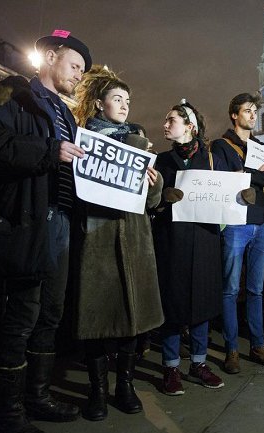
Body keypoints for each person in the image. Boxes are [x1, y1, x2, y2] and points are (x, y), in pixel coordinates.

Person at [0, 30, 90, 433]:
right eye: (75, 66)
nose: (79, 77)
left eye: (83, 72)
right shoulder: (9, 96)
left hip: (61, 222)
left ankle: (37, 395)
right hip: (27, 222)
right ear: (50, 57)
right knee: (21, 315)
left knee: (50, 314)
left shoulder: (66, 113)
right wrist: (49, 153)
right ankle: (8, 411)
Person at [71, 66, 164, 420]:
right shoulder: (85, 139)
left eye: (128, 100)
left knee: (131, 317)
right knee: (97, 319)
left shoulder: (139, 139)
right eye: (117, 99)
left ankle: (125, 386)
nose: (125, 106)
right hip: (98, 237)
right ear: (99, 104)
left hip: (135, 238)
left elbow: (152, 201)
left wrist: (153, 183)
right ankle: (97, 391)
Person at [153, 99, 226, 396]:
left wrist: (242, 197)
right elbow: (146, 203)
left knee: (202, 303)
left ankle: (199, 363)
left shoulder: (211, 160)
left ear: (190, 127)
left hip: (204, 242)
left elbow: (226, 197)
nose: (165, 125)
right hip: (171, 242)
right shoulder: (159, 161)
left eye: (172, 120)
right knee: (173, 304)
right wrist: (160, 198)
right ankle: (171, 367)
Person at [210, 93, 264, 374]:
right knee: (230, 288)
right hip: (234, 223)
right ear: (234, 114)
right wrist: (255, 172)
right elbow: (225, 176)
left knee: (256, 289)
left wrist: (248, 172)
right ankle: (231, 349)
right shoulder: (220, 145)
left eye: (255, 111)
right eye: (247, 110)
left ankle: (258, 344)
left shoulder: (262, 146)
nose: (253, 115)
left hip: (260, 224)